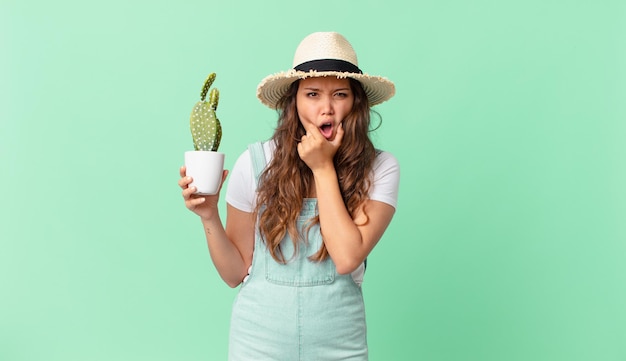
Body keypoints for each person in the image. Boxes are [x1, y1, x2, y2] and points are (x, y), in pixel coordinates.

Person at [178, 31, 399, 360]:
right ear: (293, 101)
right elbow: (234, 273)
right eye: (312, 94)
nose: (326, 109)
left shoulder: (379, 168)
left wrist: (323, 168)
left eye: (340, 94)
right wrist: (209, 215)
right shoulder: (255, 163)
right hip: (257, 345)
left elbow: (348, 257)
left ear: (356, 102)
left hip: (339, 345)